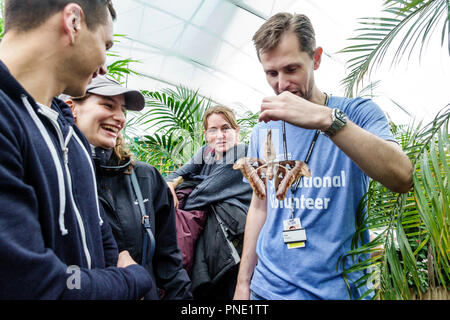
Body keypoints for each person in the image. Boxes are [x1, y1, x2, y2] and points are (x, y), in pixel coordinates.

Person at [233, 12, 413, 300]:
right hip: (267, 290)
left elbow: (402, 177)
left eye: (291, 69)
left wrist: (328, 120)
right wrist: (243, 284)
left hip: (340, 290)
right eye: (271, 73)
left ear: (315, 59)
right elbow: (259, 207)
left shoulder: (357, 113)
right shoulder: (262, 130)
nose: (281, 84)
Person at [0, 0, 152, 299]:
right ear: (73, 22)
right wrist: (133, 279)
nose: (105, 65)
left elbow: (100, 232)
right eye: (105, 44)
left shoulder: (68, 130)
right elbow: (33, 284)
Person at [65, 75, 193, 300]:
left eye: (123, 109)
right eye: (108, 105)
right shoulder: (56, 177)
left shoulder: (145, 177)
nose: (120, 118)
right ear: (72, 108)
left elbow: (169, 261)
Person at [166, 105, 253, 300]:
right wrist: (171, 183)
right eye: (213, 130)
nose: (220, 135)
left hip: (232, 242)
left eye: (226, 128)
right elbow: (175, 175)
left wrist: (187, 182)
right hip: (210, 240)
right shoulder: (207, 152)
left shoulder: (241, 153)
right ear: (206, 134)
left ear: (236, 131)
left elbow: (199, 196)